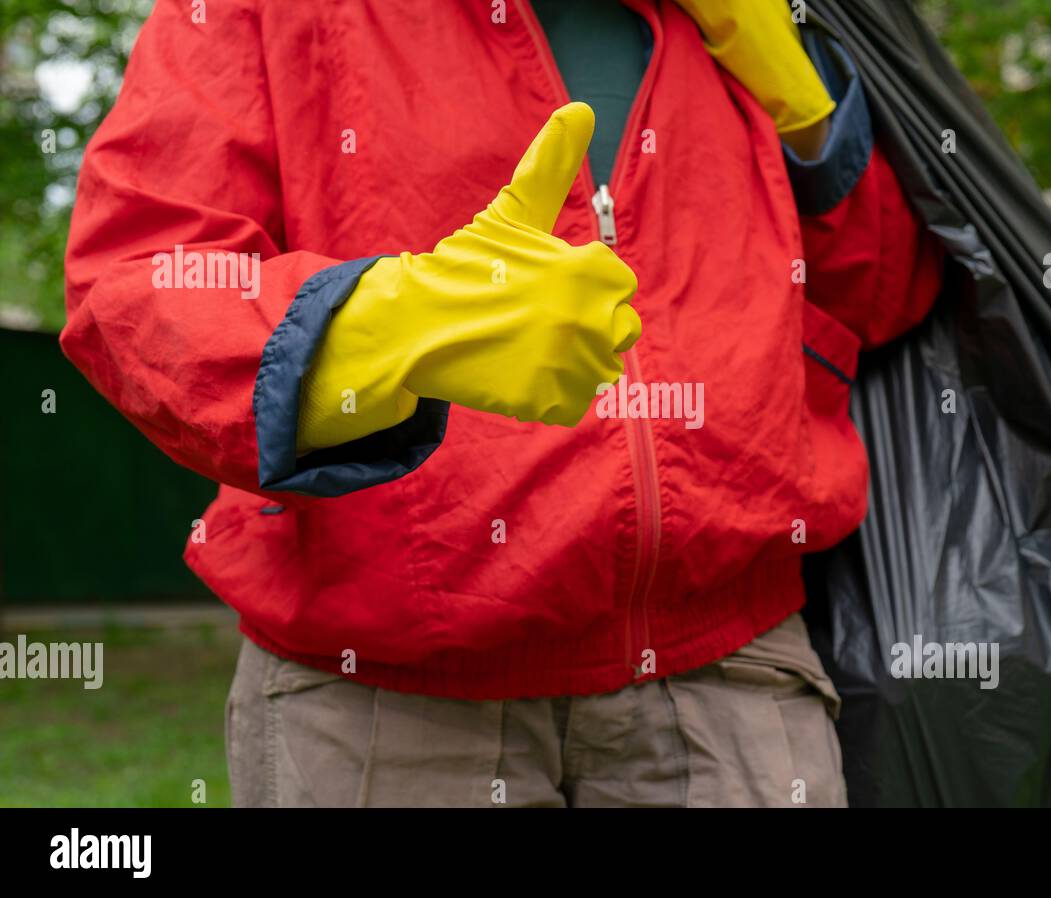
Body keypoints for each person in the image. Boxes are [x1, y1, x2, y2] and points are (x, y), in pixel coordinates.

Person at [63, 0, 942, 807]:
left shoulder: (763, 19)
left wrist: (812, 118)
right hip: (381, 700)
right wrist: (380, 330)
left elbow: (881, 296)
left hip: (732, 676)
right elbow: (137, 282)